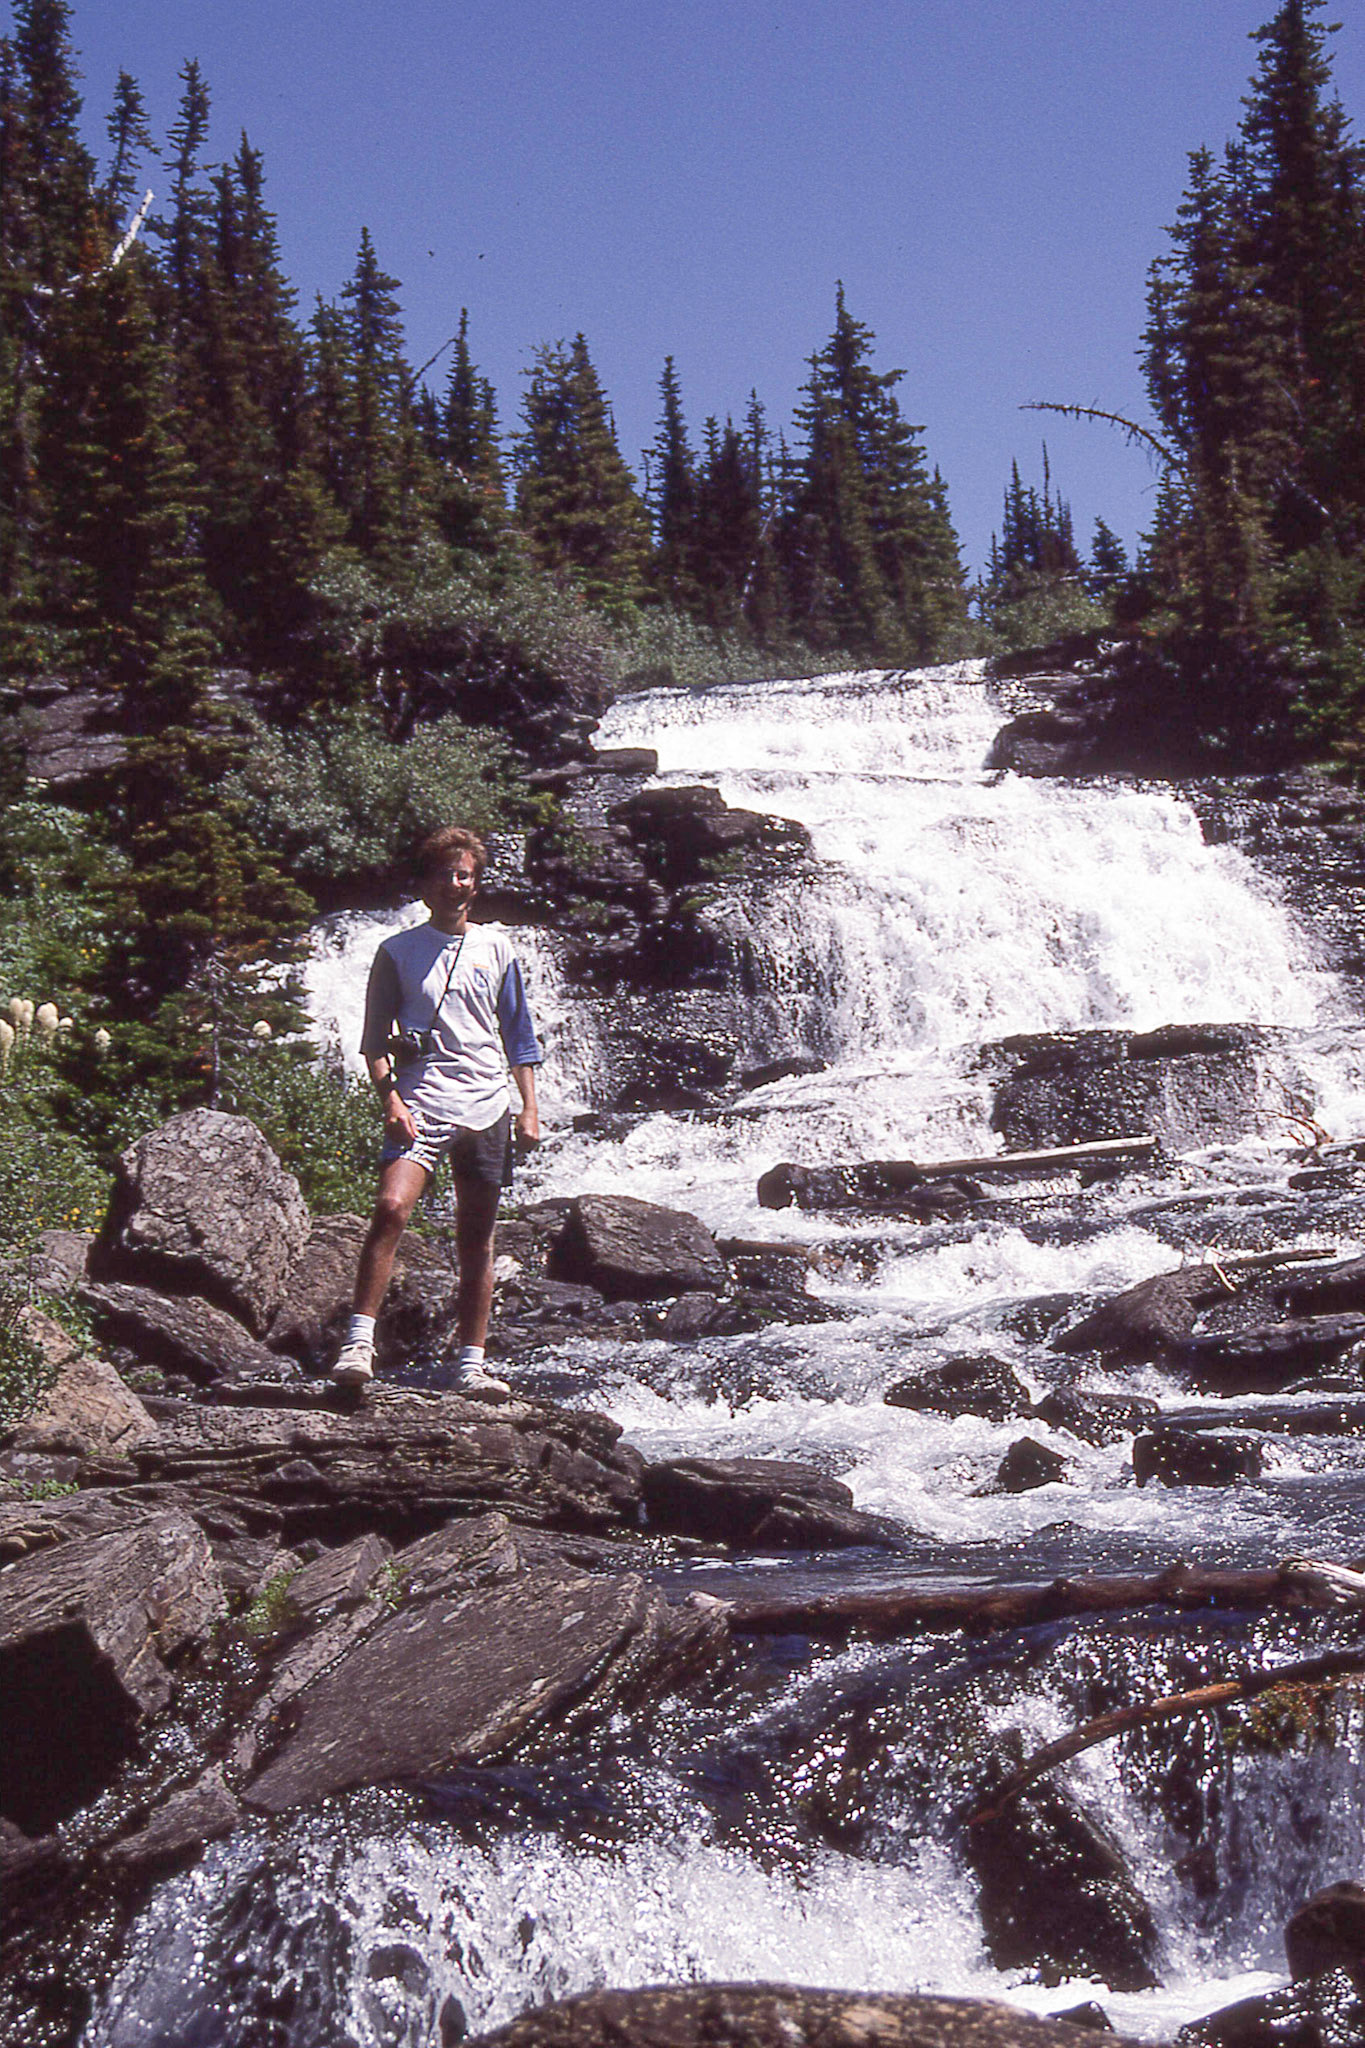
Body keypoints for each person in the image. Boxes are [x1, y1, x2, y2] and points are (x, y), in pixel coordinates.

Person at [331, 825, 542, 1395]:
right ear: (425, 884)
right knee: (390, 1207)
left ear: (476, 883)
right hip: (421, 1101)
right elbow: (374, 1042)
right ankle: (358, 1345)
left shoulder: (498, 948)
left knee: (478, 1238)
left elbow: (519, 1036)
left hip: (487, 1104)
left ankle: (471, 1364)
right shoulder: (396, 952)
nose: (455, 884)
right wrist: (390, 1100)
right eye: (445, 874)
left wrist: (529, 1108)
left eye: (465, 874)